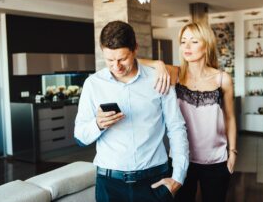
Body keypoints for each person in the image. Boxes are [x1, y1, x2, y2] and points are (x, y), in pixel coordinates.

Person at [74, 20, 189, 202]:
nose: (116, 66)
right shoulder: (93, 84)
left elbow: (176, 127)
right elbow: (80, 137)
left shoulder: (158, 79)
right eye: (110, 60)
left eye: (122, 59)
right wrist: (97, 124)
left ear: (135, 49)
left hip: (154, 182)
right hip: (109, 185)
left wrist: (178, 177)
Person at [139, 22, 237, 202]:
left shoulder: (223, 79)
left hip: (216, 160)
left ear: (206, 44)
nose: (187, 46)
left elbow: (230, 117)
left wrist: (232, 152)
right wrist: (158, 63)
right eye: (183, 42)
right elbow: (133, 61)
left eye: (193, 41)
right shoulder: (175, 74)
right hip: (181, 160)